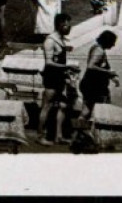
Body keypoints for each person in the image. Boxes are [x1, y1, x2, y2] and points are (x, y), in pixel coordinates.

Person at [39, 13, 75, 145]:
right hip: (51, 77)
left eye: (69, 24)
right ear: (59, 25)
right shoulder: (50, 40)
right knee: (47, 106)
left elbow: (57, 54)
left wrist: (65, 49)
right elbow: (48, 62)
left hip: (59, 76)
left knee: (63, 105)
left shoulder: (60, 39)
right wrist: (67, 66)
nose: (68, 27)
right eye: (66, 25)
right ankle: (40, 135)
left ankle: (58, 136)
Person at [80, 30, 120, 117]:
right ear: (107, 41)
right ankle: (89, 128)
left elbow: (103, 66)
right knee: (97, 110)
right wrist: (107, 72)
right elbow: (91, 66)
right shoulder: (99, 50)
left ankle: (81, 127)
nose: (113, 45)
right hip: (92, 85)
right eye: (113, 42)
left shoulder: (97, 48)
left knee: (87, 109)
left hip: (89, 84)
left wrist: (111, 76)